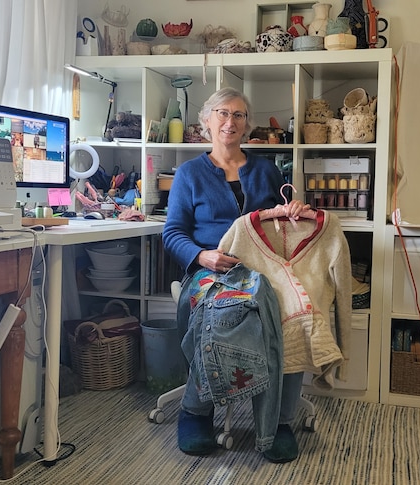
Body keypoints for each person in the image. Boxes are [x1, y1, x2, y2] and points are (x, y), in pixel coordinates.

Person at [162, 87, 309, 463]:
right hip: (210, 270)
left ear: (247, 124)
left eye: (239, 115)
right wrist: (202, 256)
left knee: (292, 313)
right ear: (207, 120)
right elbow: (172, 233)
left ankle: (279, 421)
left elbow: (281, 221)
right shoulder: (189, 173)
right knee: (219, 313)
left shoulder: (266, 169)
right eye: (222, 113)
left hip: (263, 268)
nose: (230, 121)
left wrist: (291, 210)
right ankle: (196, 410)